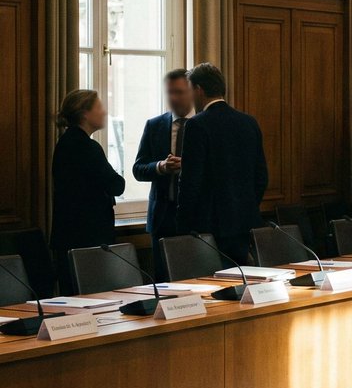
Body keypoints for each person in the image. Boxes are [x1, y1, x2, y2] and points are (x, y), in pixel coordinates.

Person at [175, 63, 269, 265]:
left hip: (210, 228)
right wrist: (246, 207)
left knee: (211, 281)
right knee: (243, 280)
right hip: (246, 224)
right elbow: (261, 177)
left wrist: (183, 225)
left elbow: (190, 181)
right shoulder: (249, 122)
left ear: (199, 89)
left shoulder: (197, 124)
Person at [49, 89, 126, 293]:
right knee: (93, 296)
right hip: (89, 236)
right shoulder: (87, 147)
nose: (104, 112)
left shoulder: (64, 143)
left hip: (68, 234)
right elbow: (117, 185)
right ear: (84, 113)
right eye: (99, 107)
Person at [132, 69, 195, 278]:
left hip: (196, 218)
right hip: (162, 217)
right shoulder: (155, 125)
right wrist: (161, 166)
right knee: (163, 281)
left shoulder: (203, 124)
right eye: (169, 92)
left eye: (179, 92)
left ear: (192, 92)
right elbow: (138, 169)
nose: (173, 98)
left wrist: (188, 166)